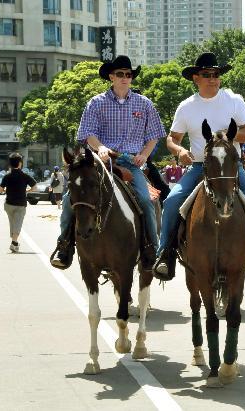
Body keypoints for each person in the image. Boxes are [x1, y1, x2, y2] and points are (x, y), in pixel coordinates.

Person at [152, 52, 245, 285]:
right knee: (172, 202)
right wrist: (179, 151)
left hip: (232, 169)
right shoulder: (186, 107)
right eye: (207, 74)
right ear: (196, 78)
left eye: (216, 74)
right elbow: (172, 139)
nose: (213, 78)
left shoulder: (234, 100)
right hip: (200, 167)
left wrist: (224, 134)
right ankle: (166, 255)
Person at [50, 55, 165, 270]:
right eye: (120, 74)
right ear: (111, 77)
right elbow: (87, 133)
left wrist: (144, 154)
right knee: (68, 199)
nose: (124, 78)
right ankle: (64, 246)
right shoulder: (96, 103)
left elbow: (154, 136)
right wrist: (100, 147)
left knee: (147, 201)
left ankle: (152, 249)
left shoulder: (145, 104)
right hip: (99, 161)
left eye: (128, 74)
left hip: (131, 162)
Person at [0, 153, 37, 252]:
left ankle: (14, 240)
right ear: (20, 163)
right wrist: (27, 191)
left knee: (12, 223)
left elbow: (0, 190)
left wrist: (6, 190)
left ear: (10, 164)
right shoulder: (25, 176)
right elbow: (34, 187)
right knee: (18, 224)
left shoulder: (7, 176)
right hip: (20, 204)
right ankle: (14, 243)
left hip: (8, 204)